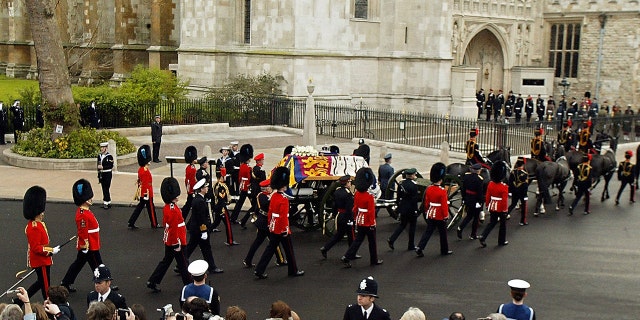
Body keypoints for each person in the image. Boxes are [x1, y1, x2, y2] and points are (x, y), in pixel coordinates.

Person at [254, 167, 305, 279]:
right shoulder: (283, 199)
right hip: (281, 228)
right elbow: (283, 216)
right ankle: (293, 270)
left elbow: (270, 213)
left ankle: (259, 269)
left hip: (273, 226)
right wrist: (285, 229)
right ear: (284, 185)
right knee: (289, 250)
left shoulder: (274, 197)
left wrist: (270, 224)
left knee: (270, 249)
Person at [147, 177, 192, 292]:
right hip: (176, 240)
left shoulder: (169, 207)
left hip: (170, 240)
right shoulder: (173, 209)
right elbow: (173, 228)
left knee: (167, 261)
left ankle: (153, 280)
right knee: (183, 263)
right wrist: (176, 243)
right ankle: (190, 284)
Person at [61, 179, 103, 293]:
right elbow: (83, 231)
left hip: (91, 242)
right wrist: (85, 245)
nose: (90, 199)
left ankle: (65, 282)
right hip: (89, 245)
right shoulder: (82, 214)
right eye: (88, 198)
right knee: (97, 265)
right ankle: (103, 283)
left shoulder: (85, 211)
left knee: (78, 264)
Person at [341, 167, 383, 267]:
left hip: (360, 220)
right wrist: (372, 223)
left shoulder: (357, 194)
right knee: (372, 242)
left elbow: (355, 208)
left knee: (358, 240)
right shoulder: (369, 197)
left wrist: (355, 219)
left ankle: (347, 256)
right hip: (368, 222)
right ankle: (374, 260)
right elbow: (371, 212)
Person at [22, 186, 58, 300]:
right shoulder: (34, 227)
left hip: (43, 259)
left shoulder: (37, 224)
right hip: (40, 261)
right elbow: (36, 248)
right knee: (46, 286)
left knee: (40, 282)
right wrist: (51, 250)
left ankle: (19, 300)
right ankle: (48, 304)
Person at [185, 179, 224, 274]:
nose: (207, 188)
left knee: (191, 247)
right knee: (206, 248)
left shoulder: (198, 199)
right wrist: (203, 231)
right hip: (200, 230)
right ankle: (212, 267)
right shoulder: (200, 201)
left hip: (196, 229)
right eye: (205, 187)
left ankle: (180, 264)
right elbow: (201, 218)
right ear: (202, 189)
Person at [245, 179, 286, 267]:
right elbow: (267, 205)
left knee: (260, 242)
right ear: (267, 188)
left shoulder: (266, 195)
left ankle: (248, 260)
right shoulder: (262, 196)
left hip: (264, 221)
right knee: (274, 242)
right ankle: (280, 260)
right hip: (265, 222)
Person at [415, 162, 452, 257]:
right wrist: (446, 215)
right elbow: (444, 206)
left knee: (428, 231)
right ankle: (445, 250)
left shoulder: (429, 189)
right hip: (439, 215)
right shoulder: (442, 191)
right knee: (443, 234)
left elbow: (426, 202)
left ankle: (420, 247)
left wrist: (427, 211)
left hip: (431, 213)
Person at [320, 175, 356, 259]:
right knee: (351, 236)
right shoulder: (348, 194)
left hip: (339, 216)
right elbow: (349, 208)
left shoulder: (337, 192)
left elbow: (334, 205)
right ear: (347, 183)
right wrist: (351, 219)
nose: (350, 183)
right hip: (346, 217)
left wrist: (334, 214)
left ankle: (325, 248)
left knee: (339, 235)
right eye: (349, 182)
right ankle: (352, 253)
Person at [387, 168, 419, 251]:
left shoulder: (401, 184)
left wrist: (399, 207)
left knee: (402, 225)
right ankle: (411, 245)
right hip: (411, 209)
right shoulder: (414, 185)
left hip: (403, 209)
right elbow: (414, 199)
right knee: (412, 227)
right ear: (412, 176)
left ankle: (392, 239)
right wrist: (416, 210)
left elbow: (398, 198)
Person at [479, 161, 509, 247]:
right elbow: (504, 200)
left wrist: (488, 205)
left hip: (492, 206)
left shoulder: (490, 184)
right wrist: (505, 210)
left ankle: (483, 236)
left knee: (492, 223)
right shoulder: (504, 187)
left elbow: (488, 196)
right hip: (500, 207)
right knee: (502, 225)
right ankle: (501, 241)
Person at [128, 145, 159, 229]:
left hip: (144, 192)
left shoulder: (141, 169)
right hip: (147, 193)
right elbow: (145, 184)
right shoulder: (145, 171)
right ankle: (154, 223)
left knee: (140, 207)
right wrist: (146, 195)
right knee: (151, 209)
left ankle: (131, 221)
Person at [457, 163, 484, 240]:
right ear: (478, 171)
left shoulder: (466, 176)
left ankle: (460, 228)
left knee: (469, 216)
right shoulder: (479, 179)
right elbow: (479, 192)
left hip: (468, 198)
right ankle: (473, 234)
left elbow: (463, 189)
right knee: (475, 218)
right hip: (475, 201)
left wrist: (464, 198)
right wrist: (480, 201)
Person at [212, 168, 237, 245]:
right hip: (222, 208)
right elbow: (222, 199)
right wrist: (222, 209)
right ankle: (230, 241)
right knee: (228, 224)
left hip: (217, 208)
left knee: (215, 223)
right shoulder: (222, 187)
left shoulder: (215, 185)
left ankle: (203, 234)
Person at [232, 144, 253, 225]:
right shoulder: (246, 167)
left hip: (243, 186)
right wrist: (249, 185)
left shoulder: (243, 166)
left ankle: (233, 217)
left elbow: (240, 178)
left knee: (240, 202)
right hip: (246, 187)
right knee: (253, 203)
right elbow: (248, 178)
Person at [243, 152, 266, 228]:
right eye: (262, 160)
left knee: (255, 207)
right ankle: (245, 220)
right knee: (255, 207)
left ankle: (251, 219)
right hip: (258, 191)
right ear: (259, 161)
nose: (263, 161)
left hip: (253, 190)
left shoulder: (254, 169)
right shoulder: (260, 170)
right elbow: (263, 180)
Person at [508, 157, 529, 224]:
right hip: (522, 192)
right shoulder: (524, 174)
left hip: (514, 191)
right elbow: (525, 186)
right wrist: (525, 195)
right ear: (523, 165)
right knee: (524, 207)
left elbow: (510, 182)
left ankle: (504, 215)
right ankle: (523, 221)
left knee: (513, 204)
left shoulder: (513, 172)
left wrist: (510, 191)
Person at [182, 146, 199, 220]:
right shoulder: (192, 169)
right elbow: (192, 181)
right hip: (192, 190)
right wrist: (193, 191)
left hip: (190, 190)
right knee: (190, 206)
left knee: (188, 205)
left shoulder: (189, 167)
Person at [97, 142, 114, 210]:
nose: (101, 149)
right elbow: (98, 164)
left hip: (107, 173)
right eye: (101, 147)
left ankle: (106, 202)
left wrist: (103, 167)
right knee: (104, 188)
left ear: (106, 148)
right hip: (102, 174)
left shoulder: (109, 156)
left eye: (103, 148)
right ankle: (107, 201)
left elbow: (110, 165)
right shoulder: (99, 156)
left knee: (106, 187)